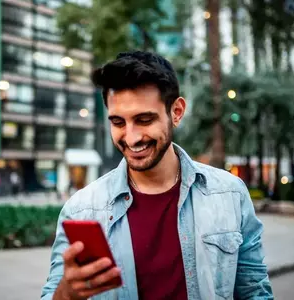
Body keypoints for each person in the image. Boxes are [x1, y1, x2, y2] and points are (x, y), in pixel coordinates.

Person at [41, 51, 273, 300]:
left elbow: (255, 293)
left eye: (144, 119)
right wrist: (66, 294)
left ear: (176, 112)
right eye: (118, 122)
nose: (131, 137)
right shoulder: (81, 209)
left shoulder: (230, 193)